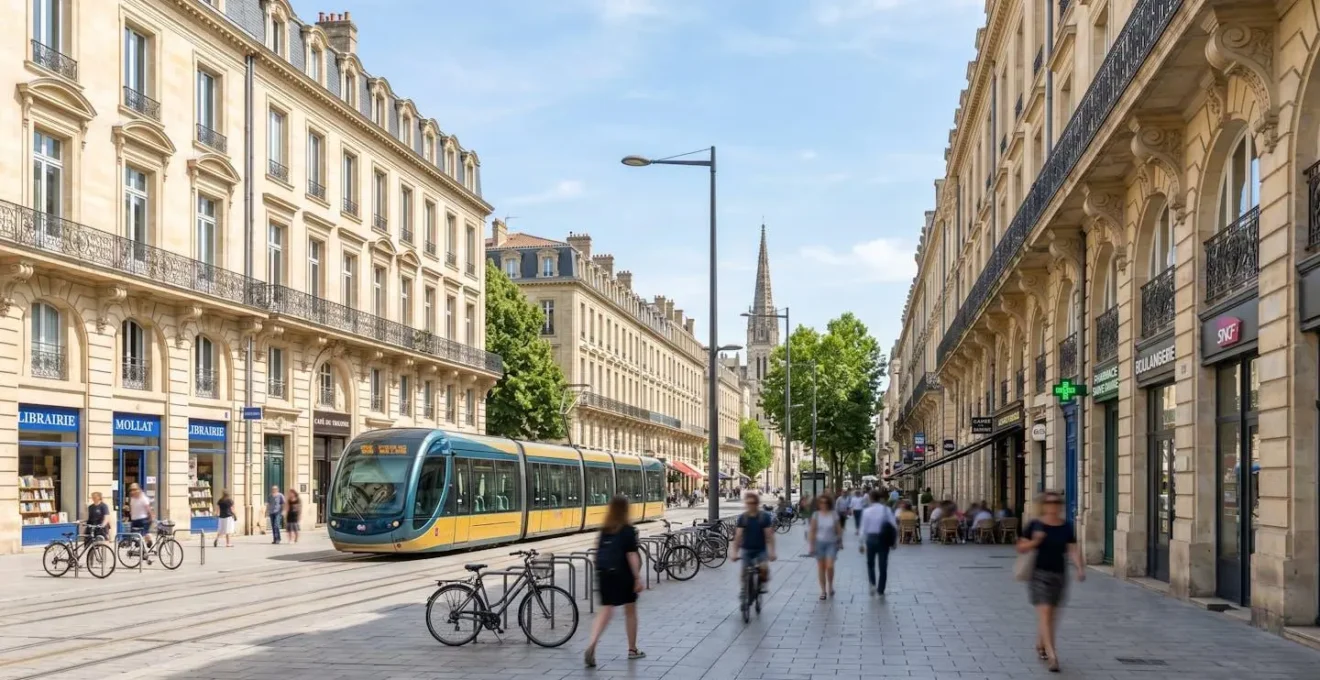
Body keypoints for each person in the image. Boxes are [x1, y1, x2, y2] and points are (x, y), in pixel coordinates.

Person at [1018, 491, 1084, 673]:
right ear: (1044, 505)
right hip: (1038, 574)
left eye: (1057, 502)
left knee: (1051, 615)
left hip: (1059, 575)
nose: (1053, 505)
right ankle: (1052, 655)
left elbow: (1072, 549)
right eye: (1049, 502)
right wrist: (1035, 542)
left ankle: (1041, 643)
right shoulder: (1035, 525)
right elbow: (1021, 547)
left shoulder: (1066, 527)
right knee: (1046, 613)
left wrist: (1079, 568)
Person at [584, 496, 645, 667]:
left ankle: (592, 643)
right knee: (630, 610)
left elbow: (598, 552)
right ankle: (632, 649)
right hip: (623, 574)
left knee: (605, 610)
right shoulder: (627, 530)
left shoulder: (605, 529)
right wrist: (637, 578)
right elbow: (631, 555)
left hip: (604, 573)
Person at [733, 492, 777, 594]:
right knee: (744, 571)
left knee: (763, 568)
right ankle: (744, 590)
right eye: (748, 503)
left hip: (761, 549)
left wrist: (772, 552)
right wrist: (734, 553)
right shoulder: (743, 518)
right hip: (746, 549)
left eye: (753, 503)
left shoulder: (764, 517)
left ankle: (762, 584)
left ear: (757, 504)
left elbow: (769, 536)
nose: (750, 505)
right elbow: (738, 537)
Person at [859, 490, 898, 595]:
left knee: (870, 563)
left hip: (871, 539)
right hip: (883, 539)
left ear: (870, 498)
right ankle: (881, 588)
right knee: (883, 564)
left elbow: (863, 528)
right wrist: (894, 541)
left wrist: (861, 543)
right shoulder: (886, 510)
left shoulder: (866, 511)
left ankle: (872, 584)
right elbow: (894, 525)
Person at [807, 494, 842, 600]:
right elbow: (812, 530)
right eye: (821, 502)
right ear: (819, 504)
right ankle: (823, 591)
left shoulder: (833, 514)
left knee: (830, 566)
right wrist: (811, 546)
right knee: (821, 567)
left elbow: (838, 528)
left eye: (825, 502)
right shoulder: (816, 515)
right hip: (819, 543)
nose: (823, 504)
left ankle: (830, 586)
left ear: (829, 503)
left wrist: (840, 540)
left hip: (832, 543)